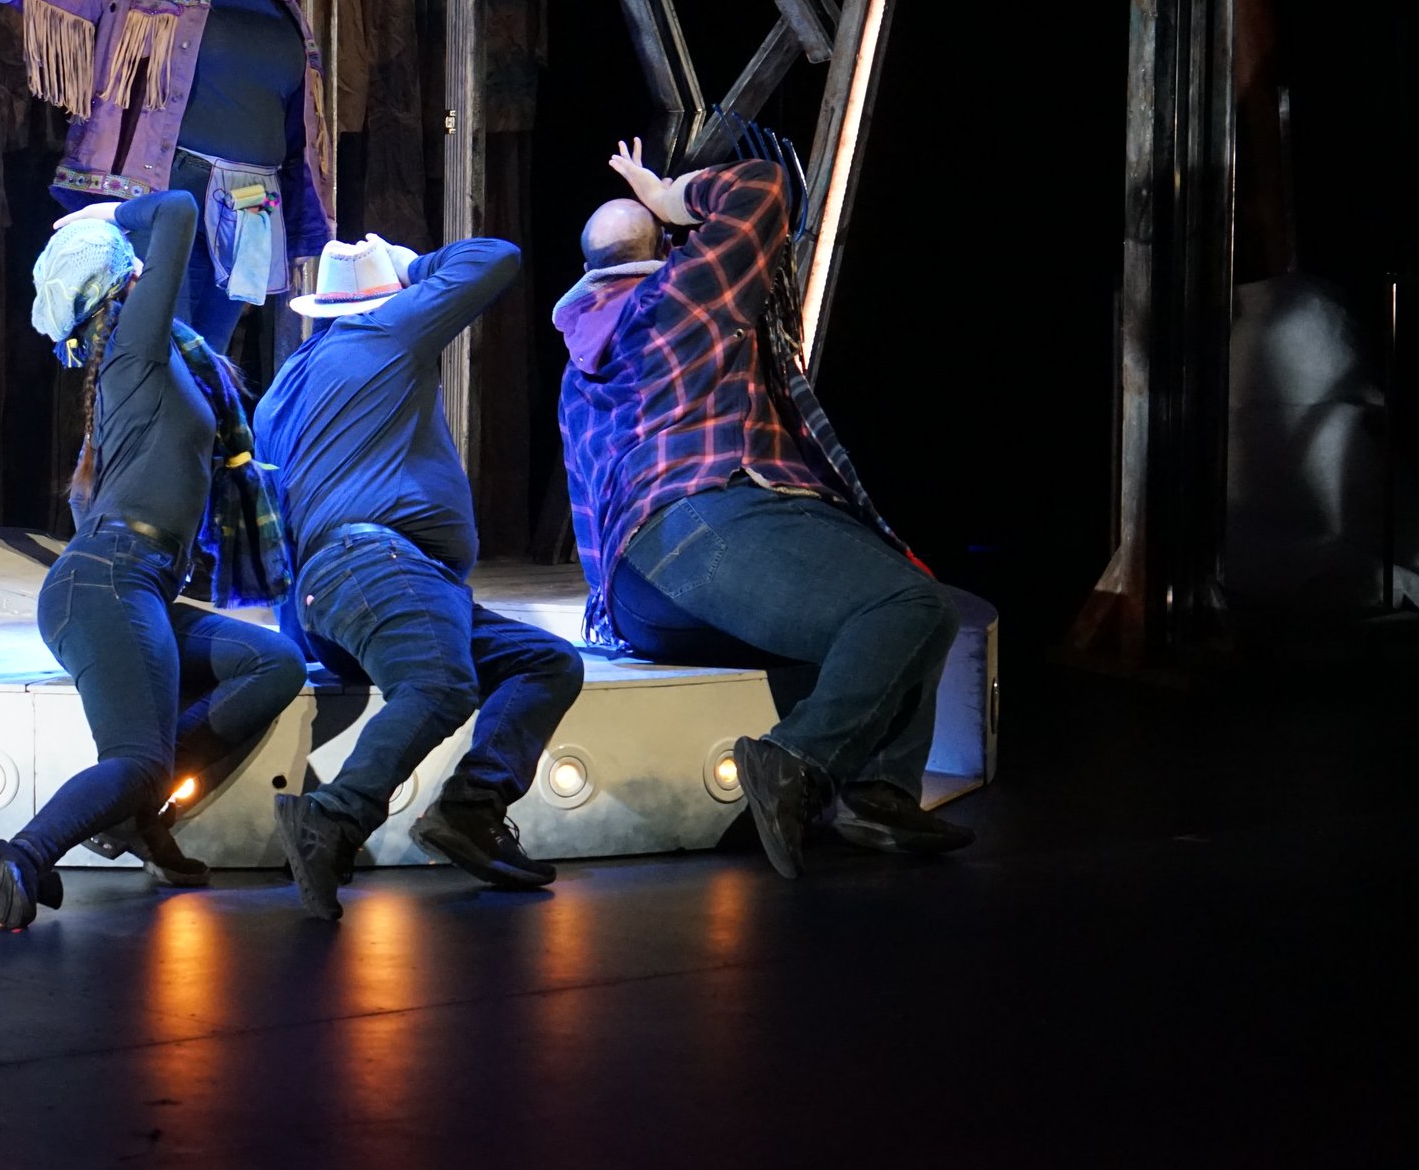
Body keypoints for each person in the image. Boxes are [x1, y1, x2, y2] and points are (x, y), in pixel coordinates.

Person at [554, 137, 972, 880]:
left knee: (877, 594)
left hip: (641, 597)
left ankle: (877, 794)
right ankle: (792, 761)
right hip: (701, 524)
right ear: (666, 249)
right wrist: (670, 193)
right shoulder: (681, 293)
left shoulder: (579, 361)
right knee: (914, 604)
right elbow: (763, 188)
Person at [0, 190, 307, 929]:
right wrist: (106, 216)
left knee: (273, 664)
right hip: (112, 579)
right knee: (139, 756)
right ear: (120, 281)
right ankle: (22, 853)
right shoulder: (135, 346)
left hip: (128, 583)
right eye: (134, 269)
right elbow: (178, 209)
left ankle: (135, 812)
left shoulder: (137, 366)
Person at [253, 233, 585, 920]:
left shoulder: (285, 386)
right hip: (380, 566)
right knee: (439, 682)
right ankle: (332, 819)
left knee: (546, 663)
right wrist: (413, 266)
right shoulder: (386, 331)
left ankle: (469, 809)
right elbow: (496, 258)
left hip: (335, 596)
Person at [0, 0, 335, 352]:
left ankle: (202, 432)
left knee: (209, 358)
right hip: (172, 187)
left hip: (252, 202)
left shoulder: (282, 5)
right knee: (154, 349)